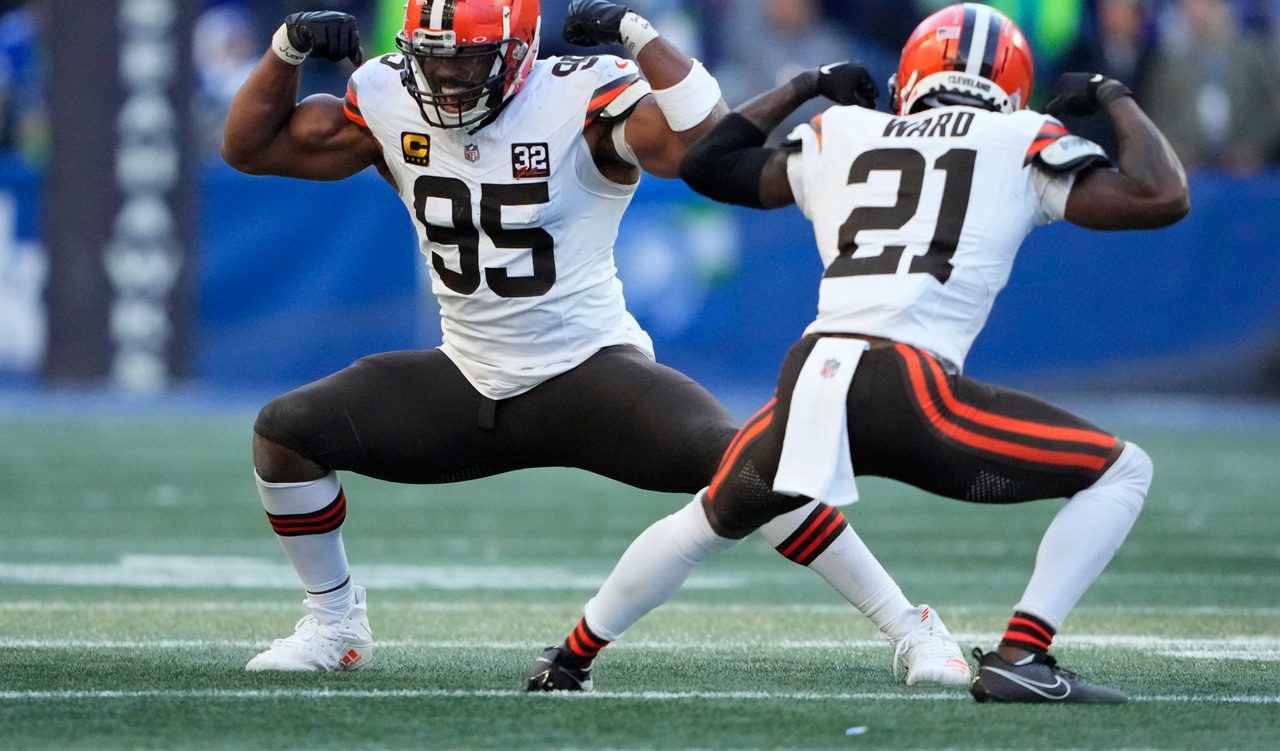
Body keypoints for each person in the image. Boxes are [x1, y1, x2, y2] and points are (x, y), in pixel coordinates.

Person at [221, 0, 969, 685]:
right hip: (468, 374)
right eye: (434, 57)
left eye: (467, 60)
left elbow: (705, 147)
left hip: (587, 374)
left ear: (518, 54)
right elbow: (248, 148)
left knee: (753, 463)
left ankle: (913, 627)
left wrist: (641, 38)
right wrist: (285, 51)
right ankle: (336, 624)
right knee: (286, 435)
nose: (447, 77)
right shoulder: (387, 94)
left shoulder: (579, 96)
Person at [532, 2, 1189, 704]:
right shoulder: (1021, 136)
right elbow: (1161, 194)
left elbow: (709, 165)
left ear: (909, 76)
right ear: (1014, 87)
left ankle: (569, 658)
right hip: (912, 389)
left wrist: (806, 84)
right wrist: (1116, 96)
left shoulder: (844, 130)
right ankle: (1024, 653)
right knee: (1121, 471)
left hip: (812, 381)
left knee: (708, 519)